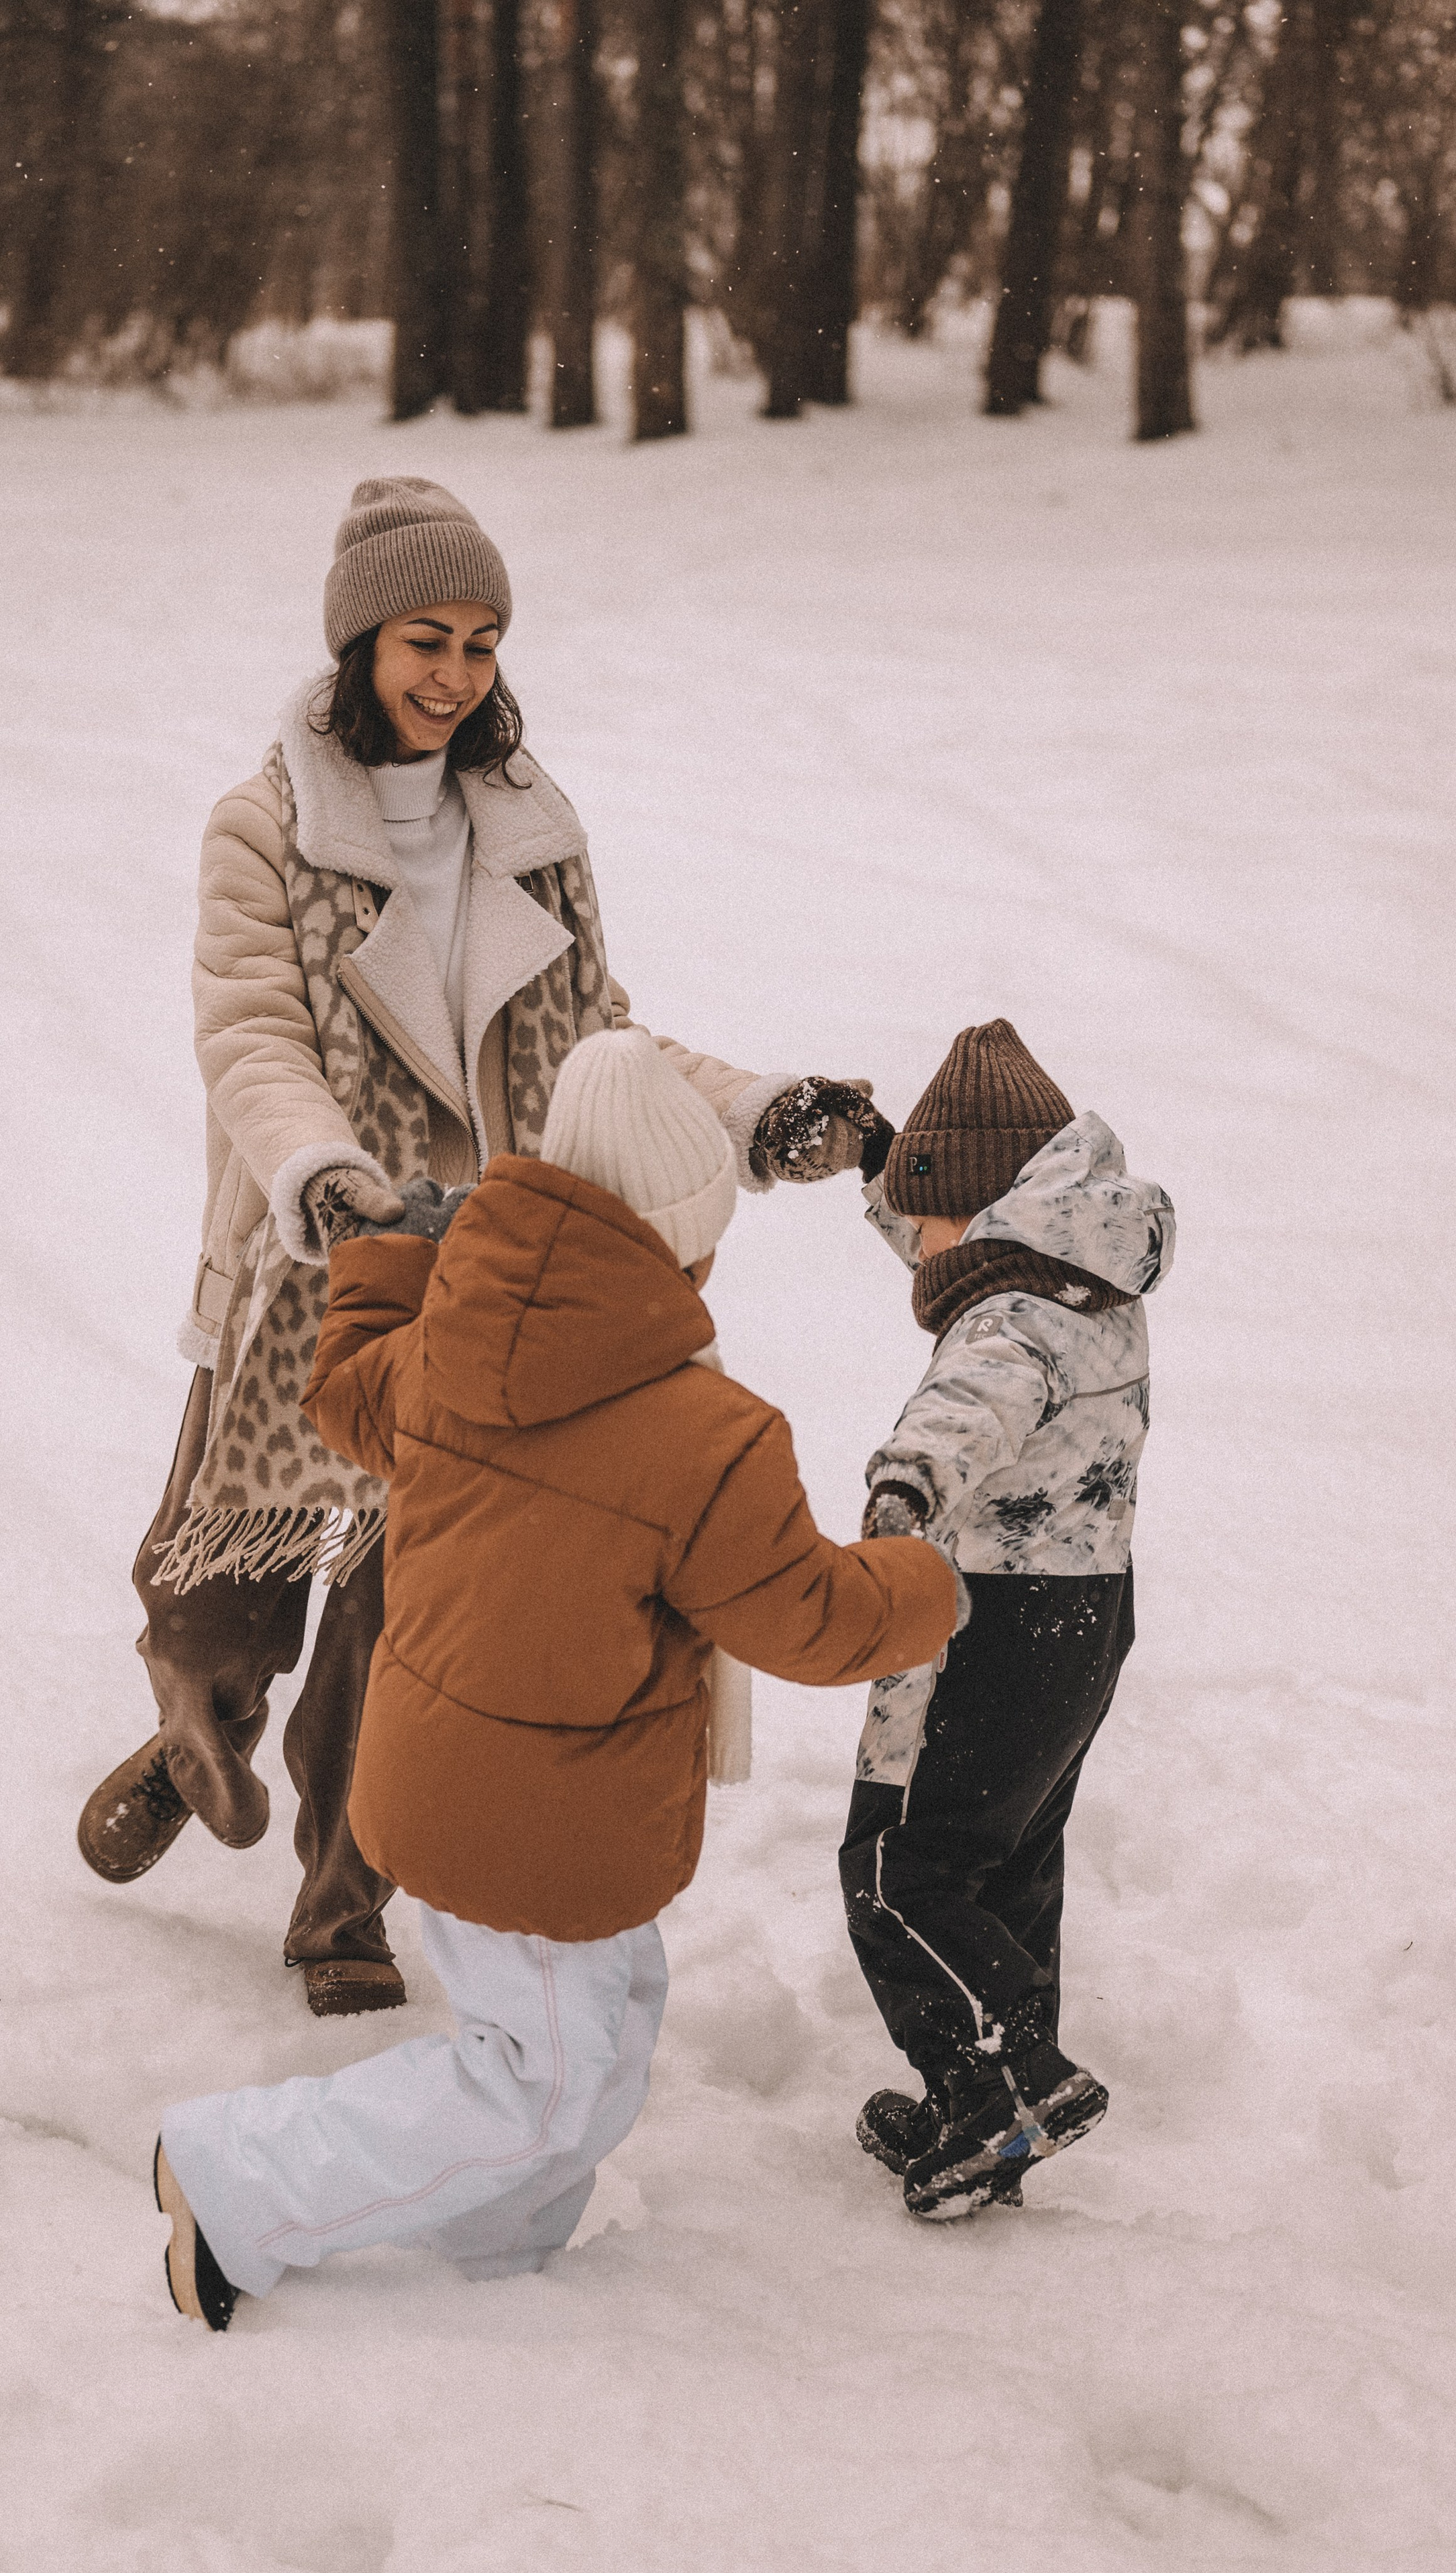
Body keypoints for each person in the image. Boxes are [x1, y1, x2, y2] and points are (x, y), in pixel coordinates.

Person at [74, 475, 886, 2015]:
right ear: (359, 646)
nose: (455, 676)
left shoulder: (529, 827)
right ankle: (201, 1727)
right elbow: (249, 1034)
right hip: (316, 1256)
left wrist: (763, 1111)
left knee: (402, 1608)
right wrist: (325, 1177)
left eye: (481, 642)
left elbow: (600, 1039)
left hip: (483, 1281)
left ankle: (338, 1912)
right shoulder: (264, 826)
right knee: (230, 1579)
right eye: (423, 641)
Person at [153, 1029, 959, 2325]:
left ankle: (494, 2270)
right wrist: (933, 1575)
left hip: (449, 1785)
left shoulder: (451, 1344)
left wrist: (386, 1252)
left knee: (594, 2046)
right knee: (545, 2085)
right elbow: (806, 1614)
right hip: (545, 1824)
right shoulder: (707, 1435)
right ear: (680, 1237)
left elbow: (348, 1395)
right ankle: (237, 2175)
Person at [837, 1020, 1176, 2220]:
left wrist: (902, 1492)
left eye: (923, 1220)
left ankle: (1009, 2086)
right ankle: (985, 2111)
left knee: (898, 1868)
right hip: (1086, 1618)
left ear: (982, 1211)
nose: (915, 1249)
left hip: (990, 1616)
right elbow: (956, 1233)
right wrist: (884, 1165)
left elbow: (972, 1401)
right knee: (1007, 1861)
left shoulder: (1009, 1321)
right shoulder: (1088, 1275)